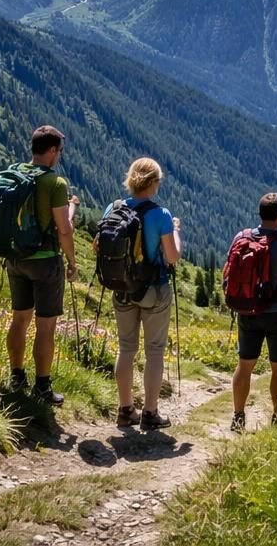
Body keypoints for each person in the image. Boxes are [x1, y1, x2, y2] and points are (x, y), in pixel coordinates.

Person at [99, 157, 181, 431]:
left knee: (126, 348)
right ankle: (150, 412)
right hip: (153, 288)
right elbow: (172, 257)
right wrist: (176, 232)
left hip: (121, 287)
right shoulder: (161, 215)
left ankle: (125, 410)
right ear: (155, 183)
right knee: (154, 350)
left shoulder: (114, 208)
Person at [5, 125, 78, 404]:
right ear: (50, 151)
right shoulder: (54, 183)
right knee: (45, 326)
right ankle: (43, 387)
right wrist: (71, 261)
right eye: (59, 151)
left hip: (15, 258)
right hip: (45, 261)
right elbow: (64, 229)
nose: (59, 155)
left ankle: (16, 377)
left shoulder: (15, 174)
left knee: (19, 319)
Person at [229, 192, 277, 432]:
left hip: (247, 310)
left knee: (245, 364)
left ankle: (238, 415)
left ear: (260, 214)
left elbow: (227, 273)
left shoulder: (241, 237)